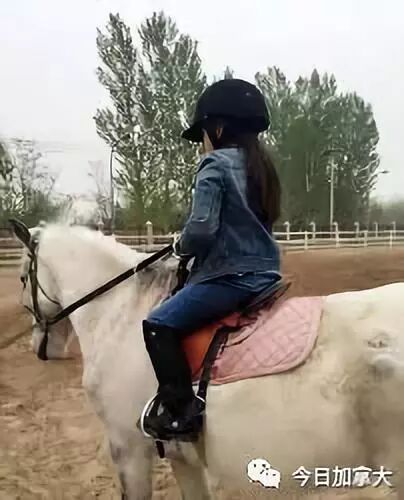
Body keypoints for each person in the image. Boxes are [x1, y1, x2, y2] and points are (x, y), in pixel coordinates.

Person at [141, 78, 282, 441]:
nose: (202, 143)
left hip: (229, 277)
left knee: (158, 323)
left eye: (202, 134)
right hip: (267, 273)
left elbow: (202, 228)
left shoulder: (214, 165)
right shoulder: (261, 167)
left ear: (217, 129)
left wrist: (180, 246)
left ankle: (181, 414)